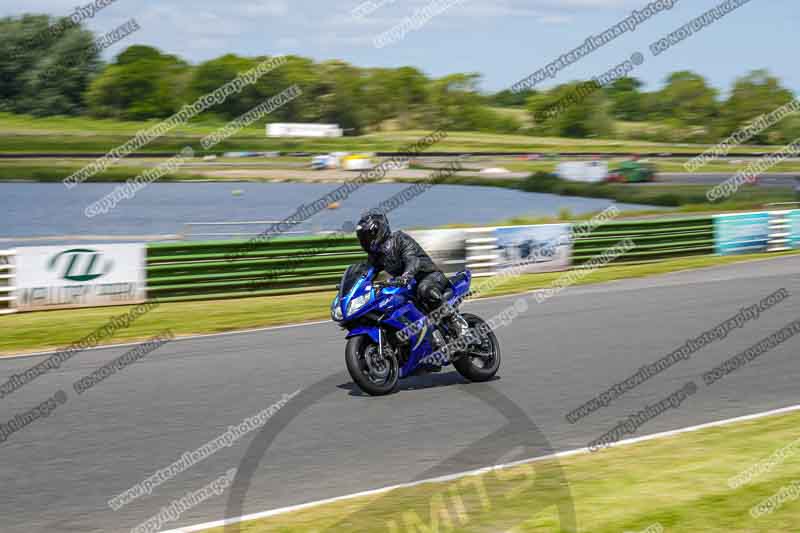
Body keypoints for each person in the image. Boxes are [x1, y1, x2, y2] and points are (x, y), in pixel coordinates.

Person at [355, 210, 469, 350]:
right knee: (386, 303)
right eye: (363, 238)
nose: (366, 241)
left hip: (429, 276)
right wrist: (354, 285)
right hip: (407, 285)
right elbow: (367, 273)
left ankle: (455, 320)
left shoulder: (400, 239)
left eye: (368, 236)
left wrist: (406, 276)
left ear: (379, 230)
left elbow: (412, 261)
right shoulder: (376, 255)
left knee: (424, 289)